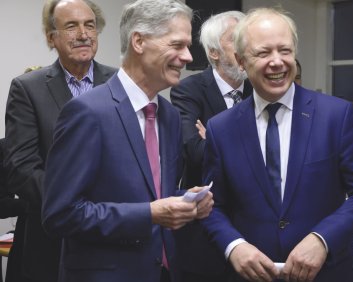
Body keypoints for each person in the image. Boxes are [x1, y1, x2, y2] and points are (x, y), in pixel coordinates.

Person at [201, 7, 353, 282]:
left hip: (328, 274)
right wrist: (234, 246)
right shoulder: (221, 128)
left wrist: (322, 239)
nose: (277, 62)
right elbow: (212, 206)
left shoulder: (336, 115)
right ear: (241, 61)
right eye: (263, 53)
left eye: (285, 51)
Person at [42, 0, 213, 281]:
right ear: (139, 41)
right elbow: (60, 214)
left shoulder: (168, 115)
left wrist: (186, 201)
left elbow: (153, 193)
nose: (188, 57)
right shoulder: (87, 112)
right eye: (177, 45)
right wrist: (149, 214)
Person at [3, 0, 116, 281]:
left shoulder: (120, 83)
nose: (83, 34)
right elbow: (22, 167)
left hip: (113, 233)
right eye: (71, 26)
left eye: (90, 25)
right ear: (51, 37)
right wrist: (73, 208)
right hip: (52, 239)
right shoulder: (28, 88)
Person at [169, 10, 252, 282]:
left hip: (256, 235)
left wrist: (216, 136)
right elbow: (195, 153)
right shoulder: (188, 91)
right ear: (214, 52)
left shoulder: (259, 89)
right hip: (206, 238)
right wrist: (251, 144)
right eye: (235, 40)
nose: (245, 48)